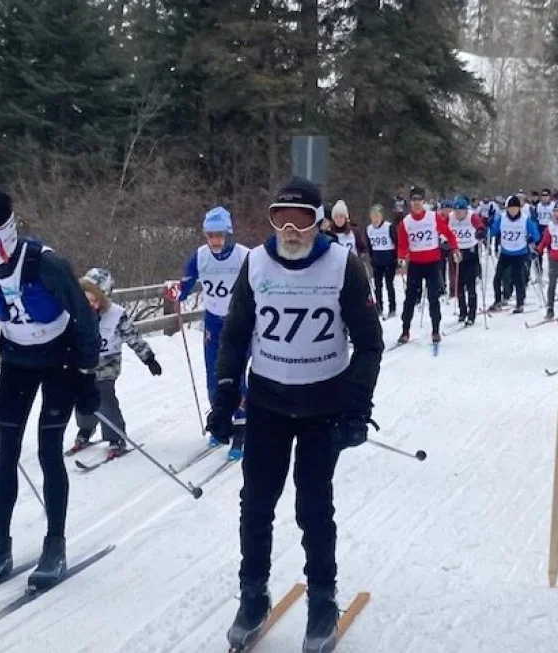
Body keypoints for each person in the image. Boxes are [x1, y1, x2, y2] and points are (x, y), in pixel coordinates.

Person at [208, 176, 383, 653]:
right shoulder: (256, 264)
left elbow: (369, 344)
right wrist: (225, 396)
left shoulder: (342, 265)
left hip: (322, 406)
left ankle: (323, 600)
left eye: (301, 218)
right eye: (280, 217)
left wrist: (356, 404)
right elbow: (234, 335)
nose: (290, 227)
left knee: (313, 507)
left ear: (318, 220)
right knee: (256, 504)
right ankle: (252, 595)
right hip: (267, 404)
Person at [0, 187, 101, 591]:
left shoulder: (45, 263)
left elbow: (85, 319)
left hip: (61, 358)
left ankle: (55, 544)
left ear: (9, 224)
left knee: (49, 449)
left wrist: (88, 375)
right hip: (17, 361)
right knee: (6, 450)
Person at [174, 206, 249, 460]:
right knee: (214, 376)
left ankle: (242, 428)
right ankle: (221, 422)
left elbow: (262, 278)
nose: (214, 241)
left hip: (238, 323)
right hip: (214, 323)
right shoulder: (200, 256)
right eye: (210, 235)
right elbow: (184, 284)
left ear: (228, 233)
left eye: (219, 235)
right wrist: (177, 293)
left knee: (235, 377)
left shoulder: (243, 255)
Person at [65, 268, 162, 459]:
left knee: (103, 395)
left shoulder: (116, 315)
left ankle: (115, 436)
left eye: (94, 301)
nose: (89, 304)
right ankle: (86, 428)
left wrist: (148, 358)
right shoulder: (76, 313)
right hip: (84, 362)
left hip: (107, 362)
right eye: (86, 300)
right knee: (81, 396)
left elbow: (133, 338)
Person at [395, 186, 460, 345]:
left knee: (433, 298)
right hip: (416, 265)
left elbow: (448, 233)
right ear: (410, 202)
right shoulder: (406, 222)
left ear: (423, 202)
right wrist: (401, 257)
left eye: (419, 200)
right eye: (414, 200)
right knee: (410, 299)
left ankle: (436, 330)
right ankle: (405, 330)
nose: (416, 203)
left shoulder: (433, 217)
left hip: (432, 263)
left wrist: (455, 248)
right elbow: (402, 243)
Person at [488, 195, 540, 314]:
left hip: (520, 252)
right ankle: (497, 301)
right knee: (497, 278)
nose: (512, 211)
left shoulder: (525, 219)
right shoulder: (501, 218)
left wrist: (531, 238)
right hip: (506, 252)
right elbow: (493, 231)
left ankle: (520, 303)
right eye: (510, 208)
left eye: (515, 208)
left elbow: (536, 235)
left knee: (518, 279)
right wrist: (488, 227)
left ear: (519, 208)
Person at [448, 196, 486, 325]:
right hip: (457, 251)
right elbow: (442, 227)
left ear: (465, 210)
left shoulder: (472, 216)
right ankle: (462, 311)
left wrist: (480, 232)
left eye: (461, 211)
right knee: (458, 284)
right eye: (456, 211)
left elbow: (480, 226)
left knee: (470, 284)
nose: (458, 214)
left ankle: (471, 314)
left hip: (470, 250)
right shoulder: (451, 217)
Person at [535, 200, 558, 319]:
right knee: (551, 283)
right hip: (554, 257)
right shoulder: (551, 225)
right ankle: (550, 308)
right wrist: (538, 250)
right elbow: (545, 241)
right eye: (556, 211)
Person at [366, 204, 397, 318]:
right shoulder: (369, 229)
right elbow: (369, 246)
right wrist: (371, 258)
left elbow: (396, 242)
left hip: (389, 259)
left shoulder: (388, 227)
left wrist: (396, 257)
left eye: (377, 216)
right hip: (377, 260)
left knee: (389, 284)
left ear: (381, 216)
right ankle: (379, 307)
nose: (375, 218)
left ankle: (392, 308)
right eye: (373, 216)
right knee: (377, 286)